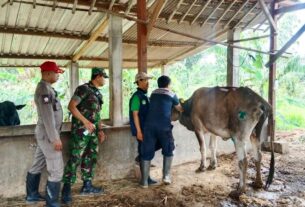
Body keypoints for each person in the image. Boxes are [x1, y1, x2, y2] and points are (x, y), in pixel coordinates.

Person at [61, 68, 108, 204]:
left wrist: (100, 130)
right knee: (75, 158)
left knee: (90, 157)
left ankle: (87, 186)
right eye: (103, 77)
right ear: (97, 76)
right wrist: (85, 121)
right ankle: (66, 189)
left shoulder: (97, 93)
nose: (104, 80)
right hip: (81, 131)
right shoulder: (83, 89)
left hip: (92, 132)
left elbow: (97, 114)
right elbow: (71, 106)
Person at [26, 61, 65, 207]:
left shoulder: (47, 88)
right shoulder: (44, 90)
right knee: (56, 169)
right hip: (49, 136)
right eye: (56, 73)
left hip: (45, 135)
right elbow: (48, 116)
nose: (57, 76)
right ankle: (52, 203)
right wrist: (55, 139)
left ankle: (32, 196)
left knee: (38, 164)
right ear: (48, 73)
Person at [140, 75, 183, 188]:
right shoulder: (171, 94)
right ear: (168, 84)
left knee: (146, 152)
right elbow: (179, 108)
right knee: (169, 149)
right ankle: (166, 176)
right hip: (163, 126)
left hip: (149, 126)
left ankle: (144, 182)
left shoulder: (153, 93)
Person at [129, 72, 158, 185]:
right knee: (145, 152)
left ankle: (146, 175)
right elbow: (135, 114)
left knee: (147, 151)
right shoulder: (136, 97)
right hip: (142, 130)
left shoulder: (145, 96)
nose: (148, 83)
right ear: (139, 81)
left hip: (148, 129)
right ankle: (145, 179)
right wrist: (139, 131)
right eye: (145, 80)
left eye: (148, 80)